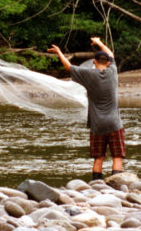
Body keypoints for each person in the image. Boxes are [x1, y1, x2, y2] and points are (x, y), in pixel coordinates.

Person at [47, 37, 125, 181]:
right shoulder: (113, 72)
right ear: (108, 63)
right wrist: (100, 43)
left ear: (94, 62)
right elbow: (111, 54)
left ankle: (96, 184)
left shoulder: (88, 74)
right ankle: (117, 185)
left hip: (97, 125)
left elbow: (68, 67)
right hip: (114, 123)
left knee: (98, 157)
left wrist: (59, 52)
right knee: (117, 156)